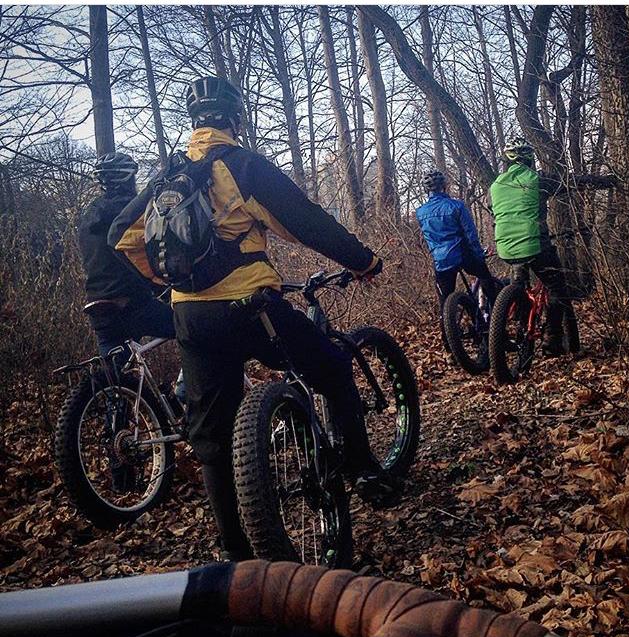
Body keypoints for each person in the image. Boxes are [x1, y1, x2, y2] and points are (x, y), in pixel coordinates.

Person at [108, 76, 393, 561]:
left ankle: (237, 557)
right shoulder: (241, 166)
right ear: (235, 120)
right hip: (250, 308)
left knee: (212, 436)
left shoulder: (168, 178)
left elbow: (123, 235)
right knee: (331, 366)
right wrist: (363, 261)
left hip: (191, 319)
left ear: (195, 124)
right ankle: (365, 469)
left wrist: (172, 287)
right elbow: (305, 221)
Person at [78, 152, 176, 361]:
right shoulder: (131, 214)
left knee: (115, 375)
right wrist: (164, 285)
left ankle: (123, 391)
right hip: (130, 302)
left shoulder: (89, 215)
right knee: (191, 329)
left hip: (98, 305)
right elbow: (153, 250)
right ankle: (189, 390)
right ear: (130, 178)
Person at [490, 136, 576, 356]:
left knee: (520, 284)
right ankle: (552, 338)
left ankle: (520, 327)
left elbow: (496, 211)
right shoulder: (537, 179)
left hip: (506, 248)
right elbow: (569, 183)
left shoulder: (496, 186)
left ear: (506, 160)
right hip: (535, 244)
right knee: (557, 288)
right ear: (529, 159)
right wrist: (606, 181)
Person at [415, 169, 499, 319]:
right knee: (485, 278)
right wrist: (479, 253)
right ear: (445, 186)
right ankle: (498, 318)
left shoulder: (420, 212)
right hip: (463, 254)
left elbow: (428, 238)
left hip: (440, 260)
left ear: (426, 190)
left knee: (445, 305)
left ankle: (448, 340)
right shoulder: (456, 206)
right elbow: (471, 234)